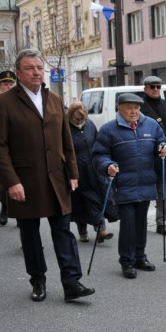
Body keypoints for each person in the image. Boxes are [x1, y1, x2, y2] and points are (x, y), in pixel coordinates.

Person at [0, 49, 95, 302]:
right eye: (29, 68)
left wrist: (73, 172)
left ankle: (72, 282)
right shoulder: (4, 102)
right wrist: (11, 181)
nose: (36, 72)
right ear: (18, 73)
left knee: (63, 231)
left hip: (56, 177)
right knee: (30, 233)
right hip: (25, 180)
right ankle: (38, 280)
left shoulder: (54, 99)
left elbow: (66, 140)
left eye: (39, 68)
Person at [93, 94, 166, 279]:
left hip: (145, 183)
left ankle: (140, 257)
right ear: (119, 108)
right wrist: (107, 165)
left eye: (136, 107)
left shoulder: (151, 125)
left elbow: (162, 143)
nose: (134, 111)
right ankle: (127, 261)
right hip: (124, 185)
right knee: (128, 223)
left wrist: (163, 148)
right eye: (129, 107)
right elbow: (99, 155)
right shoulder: (108, 129)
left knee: (141, 223)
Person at [67, 102, 113, 244]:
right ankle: (82, 231)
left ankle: (100, 230)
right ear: (70, 116)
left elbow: (98, 143)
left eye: (83, 119)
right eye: (76, 119)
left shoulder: (90, 124)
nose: (80, 121)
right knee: (80, 201)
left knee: (98, 197)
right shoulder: (65, 128)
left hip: (93, 168)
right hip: (77, 170)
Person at [139, 75, 166, 236]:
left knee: (162, 192)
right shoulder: (139, 107)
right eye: (152, 86)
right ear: (145, 89)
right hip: (145, 156)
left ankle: (161, 223)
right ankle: (140, 221)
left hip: (163, 156)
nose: (156, 89)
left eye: (158, 86)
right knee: (143, 191)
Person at [0, 70, 17, 225]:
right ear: (0, 86)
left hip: (19, 148)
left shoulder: (21, 101)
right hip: (3, 148)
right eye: (5, 84)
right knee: (4, 182)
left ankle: (21, 214)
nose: (8, 87)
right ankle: (4, 206)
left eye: (11, 84)